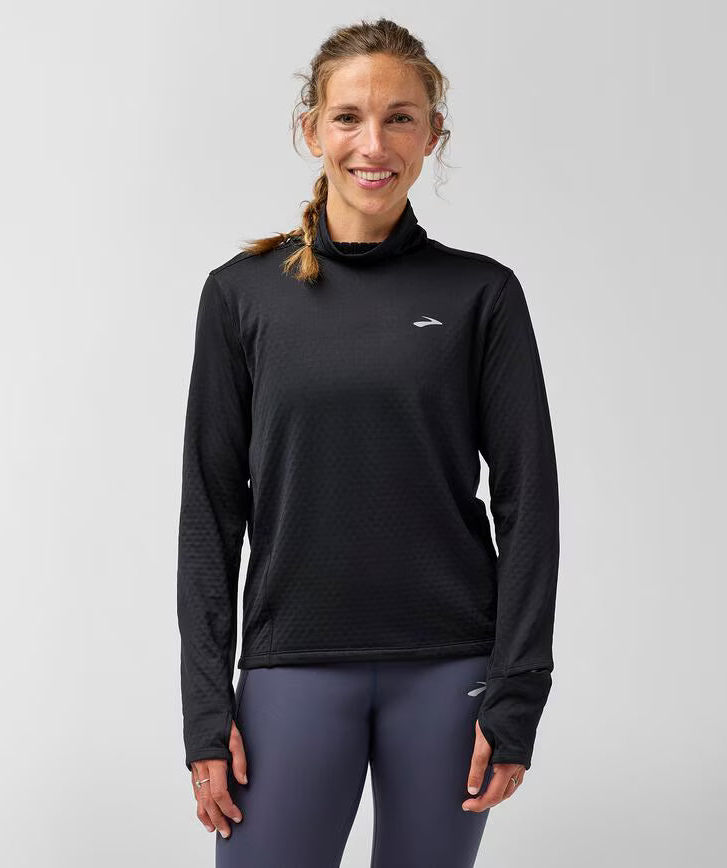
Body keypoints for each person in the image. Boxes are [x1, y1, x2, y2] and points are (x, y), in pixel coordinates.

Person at [176, 17, 560, 867]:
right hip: (291, 668)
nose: (373, 144)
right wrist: (206, 709)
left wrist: (517, 694)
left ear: (433, 135)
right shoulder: (242, 296)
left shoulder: (481, 295)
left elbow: (529, 505)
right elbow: (210, 513)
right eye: (348, 117)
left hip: (451, 672)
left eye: (401, 118)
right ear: (311, 130)